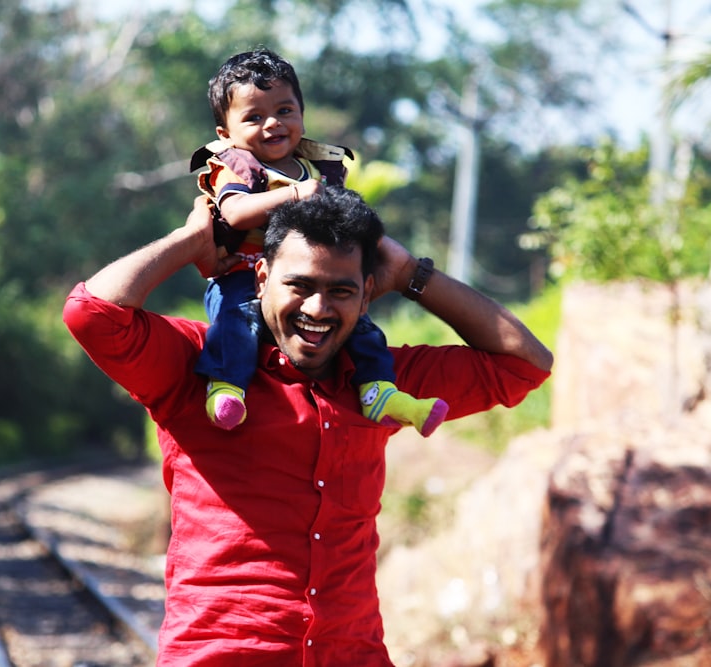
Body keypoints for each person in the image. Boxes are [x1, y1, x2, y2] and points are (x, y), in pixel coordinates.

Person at [63, 187, 553, 665]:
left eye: (340, 291)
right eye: (299, 285)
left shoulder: (383, 387)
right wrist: (194, 240)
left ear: (365, 299)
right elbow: (91, 315)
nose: (318, 309)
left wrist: (409, 274)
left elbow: (525, 363)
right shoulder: (198, 367)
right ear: (261, 279)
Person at [189, 48, 447, 434]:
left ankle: (378, 390)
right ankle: (227, 387)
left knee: (361, 326)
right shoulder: (235, 166)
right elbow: (236, 213)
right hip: (242, 271)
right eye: (254, 117)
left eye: (285, 111)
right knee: (235, 321)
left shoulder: (316, 166)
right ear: (226, 134)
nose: (272, 124)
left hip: (312, 276)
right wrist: (294, 195)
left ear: (302, 114)